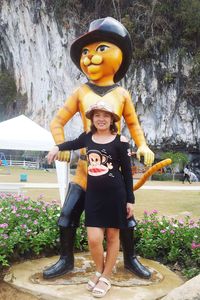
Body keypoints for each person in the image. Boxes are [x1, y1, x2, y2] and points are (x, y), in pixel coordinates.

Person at [43, 17, 155, 280]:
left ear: (120, 55)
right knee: (67, 215)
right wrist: (63, 148)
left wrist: (143, 145)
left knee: (126, 219)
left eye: (100, 48)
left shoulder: (122, 94)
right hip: (84, 171)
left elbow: (134, 124)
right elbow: (57, 122)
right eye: (85, 51)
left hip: (112, 173)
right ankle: (65, 260)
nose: (91, 56)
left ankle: (131, 260)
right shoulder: (81, 92)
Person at [47, 101, 135, 297]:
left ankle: (105, 277)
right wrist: (56, 147)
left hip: (116, 196)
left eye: (105, 115)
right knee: (94, 239)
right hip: (93, 197)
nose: (101, 119)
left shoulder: (121, 142)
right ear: (92, 119)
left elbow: (127, 174)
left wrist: (130, 200)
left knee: (112, 237)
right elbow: (71, 144)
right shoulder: (87, 137)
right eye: (97, 115)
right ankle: (99, 270)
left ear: (112, 119)